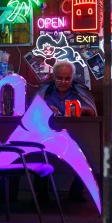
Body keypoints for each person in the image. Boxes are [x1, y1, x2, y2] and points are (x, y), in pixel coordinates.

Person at [35, 61, 96, 202]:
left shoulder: (80, 91)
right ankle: (41, 195)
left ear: (72, 78)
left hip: (76, 136)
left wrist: (81, 109)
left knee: (90, 153)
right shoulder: (44, 91)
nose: (63, 81)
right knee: (39, 152)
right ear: (53, 77)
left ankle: (76, 192)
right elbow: (31, 112)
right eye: (59, 78)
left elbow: (93, 112)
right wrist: (46, 111)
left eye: (67, 78)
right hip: (48, 136)